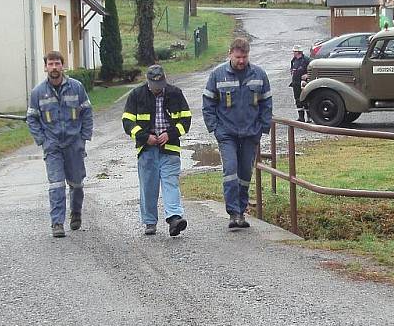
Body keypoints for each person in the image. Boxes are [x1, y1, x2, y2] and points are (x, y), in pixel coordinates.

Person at [202, 37, 273, 229]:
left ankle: (241, 212)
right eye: (238, 57)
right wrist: (215, 128)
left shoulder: (259, 74)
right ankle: (232, 212)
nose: (241, 61)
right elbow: (208, 105)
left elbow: (267, 103)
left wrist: (262, 128)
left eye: (245, 57)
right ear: (230, 54)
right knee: (231, 170)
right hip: (226, 133)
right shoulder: (217, 75)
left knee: (244, 174)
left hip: (251, 133)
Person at [27, 50, 93, 238]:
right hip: (53, 145)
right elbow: (31, 119)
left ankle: (76, 212)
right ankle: (57, 223)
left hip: (74, 144)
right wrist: (42, 140)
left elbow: (87, 112)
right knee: (56, 184)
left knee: (77, 184)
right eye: (50, 64)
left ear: (63, 66)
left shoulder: (77, 87)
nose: (54, 67)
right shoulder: (38, 92)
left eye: (57, 63)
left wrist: (83, 137)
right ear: (45, 67)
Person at [122, 64, 190, 237]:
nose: (158, 89)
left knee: (170, 182)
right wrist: (146, 137)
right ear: (148, 82)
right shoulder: (137, 95)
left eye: (161, 85)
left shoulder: (175, 93)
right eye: (154, 86)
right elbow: (127, 122)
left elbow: (186, 120)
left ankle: (174, 218)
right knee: (148, 186)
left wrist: (170, 134)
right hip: (147, 149)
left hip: (170, 147)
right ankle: (150, 222)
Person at [289, 44, 311, 122]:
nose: (293, 53)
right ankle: (301, 117)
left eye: (295, 51)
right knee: (297, 100)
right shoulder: (293, 60)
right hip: (295, 83)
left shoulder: (306, 60)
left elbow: (312, 69)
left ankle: (309, 117)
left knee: (305, 99)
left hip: (303, 83)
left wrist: (307, 75)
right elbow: (292, 68)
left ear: (299, 52)